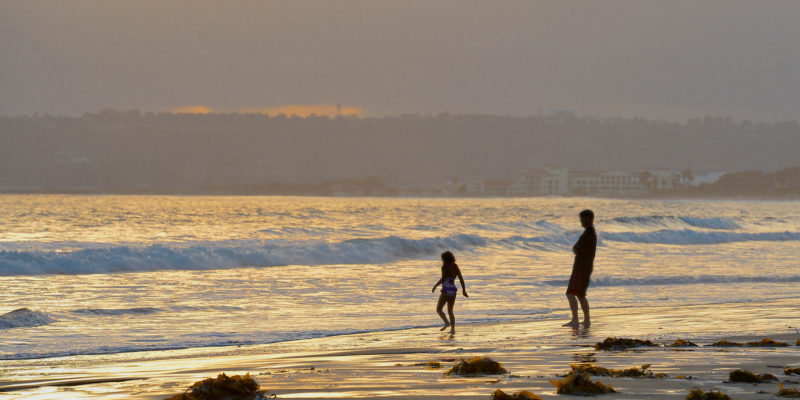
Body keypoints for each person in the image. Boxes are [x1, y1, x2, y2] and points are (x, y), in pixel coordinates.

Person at [563, 209, 597, 328]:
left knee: (570, 293)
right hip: (585, 268)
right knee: (580, 294)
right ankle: (586, 320)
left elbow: (578, 249)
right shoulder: (590, 233)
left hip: (581, 268)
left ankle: (575, 320)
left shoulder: (588, 234)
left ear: (588, 219)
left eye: (583, 219)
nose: (581, 221)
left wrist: (576, 249)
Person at [431, 251, 468, 333]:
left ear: (444, 259)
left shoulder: (444, 267)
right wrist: (464, 290)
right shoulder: (455, 266)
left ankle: (447, 323)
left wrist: (435, 285)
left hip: (446, 290)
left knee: (439, 309)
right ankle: (453, 329)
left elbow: (443, 278)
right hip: (453, 291)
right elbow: (461, 279)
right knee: (450, 311)